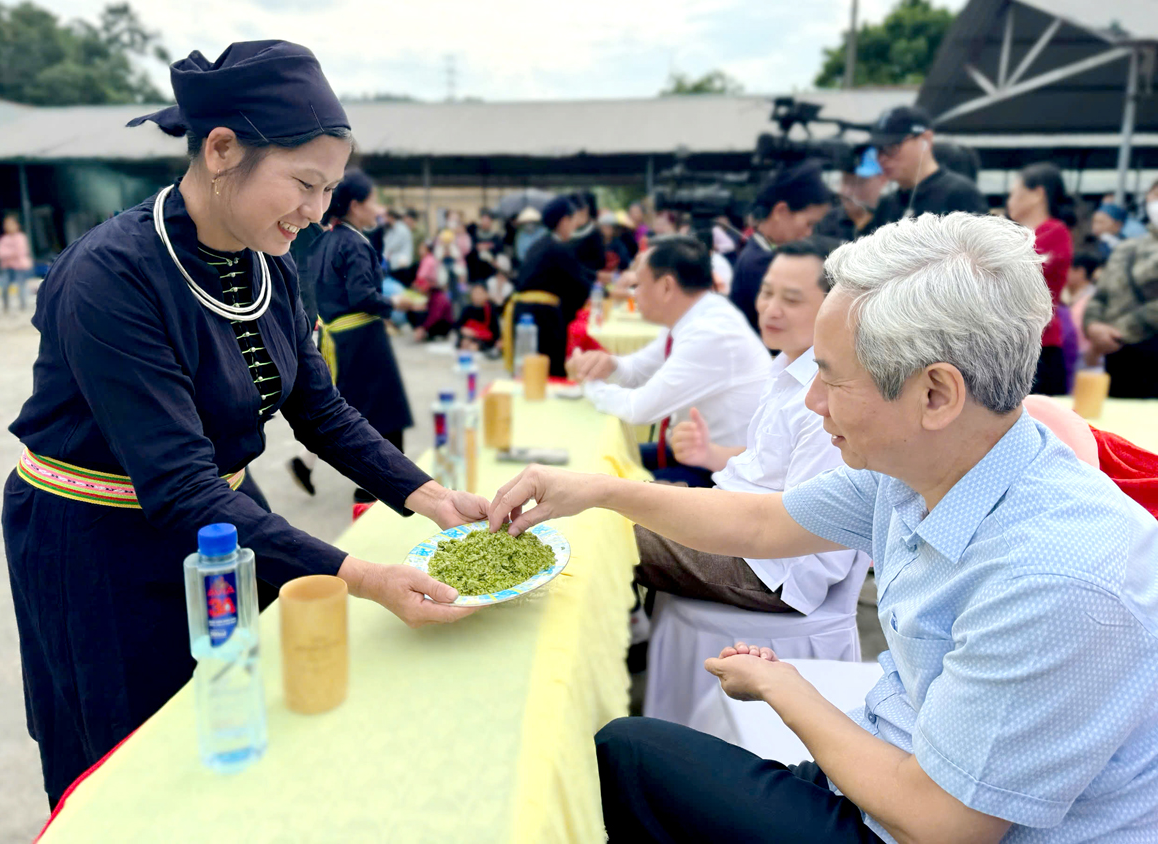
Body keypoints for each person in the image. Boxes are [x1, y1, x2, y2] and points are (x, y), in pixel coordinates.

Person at [489, 211, 1158, 844]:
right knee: (638, 759)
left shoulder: (1058, 579)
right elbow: (760, 523)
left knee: (626, 757)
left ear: (936, 394)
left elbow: (944, 824)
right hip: (899, 758)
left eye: (833, 381)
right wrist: (597, 491)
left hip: (920, 819)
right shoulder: (934, 463)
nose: (811, 401)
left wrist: (786, 691)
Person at [3, 41, 489, 811]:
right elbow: (180, 485)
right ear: (222, 149)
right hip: (97, 540)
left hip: (224, 520)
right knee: (131, 755)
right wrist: (361, 578)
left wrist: (430, 495)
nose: (316, 212)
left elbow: (317, 406)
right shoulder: (110, 275)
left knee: (240, 723)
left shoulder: (271, 263)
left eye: (328, 189)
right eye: (303, 183)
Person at [637, 240, 859, 611]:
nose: (771, 309)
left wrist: (697, 514)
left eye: (791, 299)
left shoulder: (825, 396)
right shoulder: (785, 368)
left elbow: (793, 529)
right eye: (767, 293)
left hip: (769, 568)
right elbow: (769, 463)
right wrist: (707, 461)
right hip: (739, 525)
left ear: (832, 309)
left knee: (606, 528)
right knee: (617, 503)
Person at [567, 236, 770, 486]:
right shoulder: (696, 315)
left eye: (639, 285)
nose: (635, 294)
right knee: (598, 459)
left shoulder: (712, 332)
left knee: (598, 478)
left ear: (665, 286)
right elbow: (638, 370)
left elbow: (639, 409)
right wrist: (608, 365)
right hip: (692, 452)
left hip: (723, 474)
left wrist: (589, 385)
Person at [289, 170, 415, 503]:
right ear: (356, 205)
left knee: (350, 409)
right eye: (374, 200)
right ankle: (387, 486)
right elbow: (363, 296)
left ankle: (372, 482)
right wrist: (396, 303)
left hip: (338, 337)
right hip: (364, 338)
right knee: (384, 412)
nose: (378, 208)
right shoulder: (356, 244)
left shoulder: (324, 241)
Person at [730, 161, 833, 334]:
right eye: (809, 223)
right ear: (781, 211)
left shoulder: (758, 252)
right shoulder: (762, 262)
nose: (809, 233)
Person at [1083, 179, 1158, 398]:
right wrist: (1093, 326)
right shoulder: (1126, 247)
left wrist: (1118, 332)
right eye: (1153, 196)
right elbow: (1101, 293)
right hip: (1117, 355)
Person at [1006, 162, 1075, 395]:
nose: (1010, 201)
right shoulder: (1015, 234)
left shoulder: (1054, 232)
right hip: (1010, 345)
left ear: (1037, 194)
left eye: (1014, 193)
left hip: (1040, 345)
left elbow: (1010, 272)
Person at [505, 196, 592, 379]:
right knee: (548, 371)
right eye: (572, 220)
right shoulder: (558, 247)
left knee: (526, 370)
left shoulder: (539, 245)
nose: (574, 226)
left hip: (522, 312)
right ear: (564, 221)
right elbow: (580, 284)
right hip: (542, 316)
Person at [867, 106, 987, 231]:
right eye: (877, 149)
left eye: (892, 147)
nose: (882, 158)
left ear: (925, 139)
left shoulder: (960, 194)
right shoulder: (887, 204)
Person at [814, 147, 885, 242]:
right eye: (845, 181)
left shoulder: (893, 219)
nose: (847, 191)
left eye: (860, 182)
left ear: (882, 180)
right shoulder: (824, 223)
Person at [1065, 251, 1103, 371]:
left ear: (1080, 272)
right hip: (1071, 356)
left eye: (1068, 268)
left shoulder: (1094, 299)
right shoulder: (1071, 296)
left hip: (1087, 359)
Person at [0, 213, 32, 312]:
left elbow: (20, 251)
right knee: (4, 286)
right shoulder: (3, 239)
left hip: (20, 266)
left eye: (11, 224)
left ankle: (23, 306)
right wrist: (11, 253)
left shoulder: (21, 237)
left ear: (17, 225)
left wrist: (8, 253)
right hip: (7, 267)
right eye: (7, 224)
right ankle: (5, 306)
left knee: (21, 286)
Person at [456, 282, 501, 353]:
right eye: (475, 293)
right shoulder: (467, 309)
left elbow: (496, 335)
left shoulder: (491, 311)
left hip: (484, 343)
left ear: (486, 295)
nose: (477, 296)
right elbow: (457, 325)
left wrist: (479, 345)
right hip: (467, 340)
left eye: (480, 293)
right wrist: (463, 329)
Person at [382, 208, 416, 287]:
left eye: (385, 217)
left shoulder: (401, 229)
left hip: (401, 265)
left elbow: (391, 245)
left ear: (391, 217)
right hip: (395, 264)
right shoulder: (393, 229)